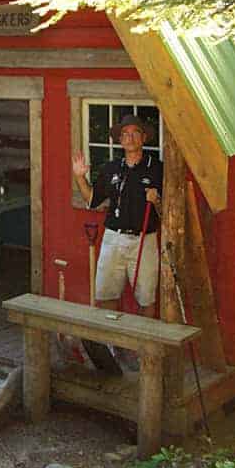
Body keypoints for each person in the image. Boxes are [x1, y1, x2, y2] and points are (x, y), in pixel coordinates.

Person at [73, 114, 163, 318]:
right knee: (106, 295)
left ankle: (142, 348)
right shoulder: (111, 168)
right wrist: (79, 177)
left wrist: (156, 200)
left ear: (144, 138)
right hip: (113, 238)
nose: (129, 138)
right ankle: (112, 348)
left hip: (144, 240)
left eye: (135, 133)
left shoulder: (158, 168)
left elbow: (167, 213)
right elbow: (92, 200)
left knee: (146, 298)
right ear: (120, 140)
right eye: (125, 134)